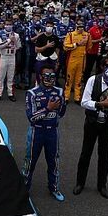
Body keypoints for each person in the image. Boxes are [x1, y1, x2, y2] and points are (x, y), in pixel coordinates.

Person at [74, 54, 108, 199]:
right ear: (102, 66)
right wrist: (100, 104)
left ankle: (102, 185)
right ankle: (80, 183)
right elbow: (84, 102)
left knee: (104, 156)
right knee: (86, 153)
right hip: (92, 122)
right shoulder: (93, 80)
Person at [23, 65, 67, 202]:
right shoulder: (32, 93)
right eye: (46, 76)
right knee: (30, 162)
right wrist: (48, 109)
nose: (49, 79)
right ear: (41, 77)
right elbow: (31, 117)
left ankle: (54, 187)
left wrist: (56, 108)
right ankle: (24, 189)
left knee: (53, 161)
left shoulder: (60, 92)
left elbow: (62, 112)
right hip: (36, 131)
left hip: (52, 131)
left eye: (52, 76)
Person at [62, 21, 89, 102]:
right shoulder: (70, 35)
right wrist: (76, 44)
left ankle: (77, 97)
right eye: (79, 26)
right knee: (69, 79)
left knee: (79, 79)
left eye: (82, 26)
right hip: (72, 59)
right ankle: (66, 97)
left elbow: (89, 46)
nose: (80, 28)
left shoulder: (87, 35)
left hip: (82, 59)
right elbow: (65, 46)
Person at [0, 22, 20, 101]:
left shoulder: (16, 35)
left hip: (12, 57)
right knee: (0, 77)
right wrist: (9, 40)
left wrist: (14, 41)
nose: (8, 26)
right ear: (4, 25)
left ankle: (10, 93)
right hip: (3, 57)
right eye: (7, 24)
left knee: (11, 77)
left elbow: (19, 46)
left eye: (10, 24)